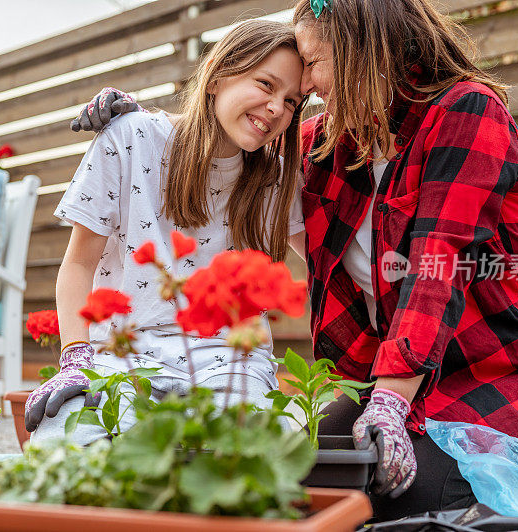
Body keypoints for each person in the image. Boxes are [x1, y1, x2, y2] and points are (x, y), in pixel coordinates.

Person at [71, 0, 518, 520]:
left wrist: (392, 401)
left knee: (401, 495)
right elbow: (230, 152)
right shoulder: (323, 146)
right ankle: (506, 461)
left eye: (314, 62)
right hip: (407, 374)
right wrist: (141, 128)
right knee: (303, 472)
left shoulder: (466, 112)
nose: (305, 87)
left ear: (357, 46)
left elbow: (434, 269)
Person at [25, 19, 308, 446]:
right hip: (120, 356)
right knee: (59, 450)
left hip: (233, 363)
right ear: (218, 74)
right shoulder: (130, 138)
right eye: (265, 85)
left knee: (257, 455)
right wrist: (75, 359)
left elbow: (328, 265)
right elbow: (79, 263)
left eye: (291, 101)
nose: (276, 108)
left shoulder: (275, 179)